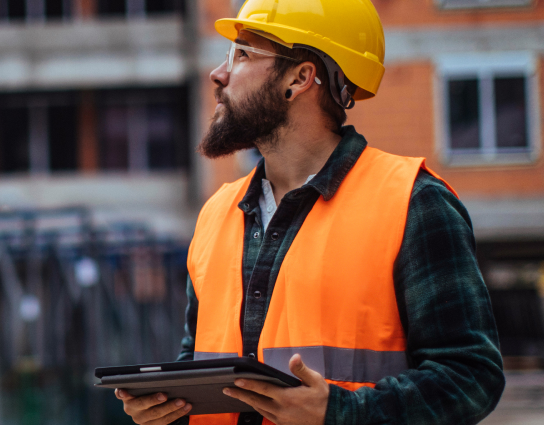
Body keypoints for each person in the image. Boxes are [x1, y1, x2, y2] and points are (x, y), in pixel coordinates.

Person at [115, 0, 507, 424]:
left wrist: (341, 412)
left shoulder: (413, 203)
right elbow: (199, 358)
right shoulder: (216, 214)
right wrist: (170, 408)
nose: (219, 73)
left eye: (242, 54)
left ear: (299, 79)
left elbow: (471, 377)